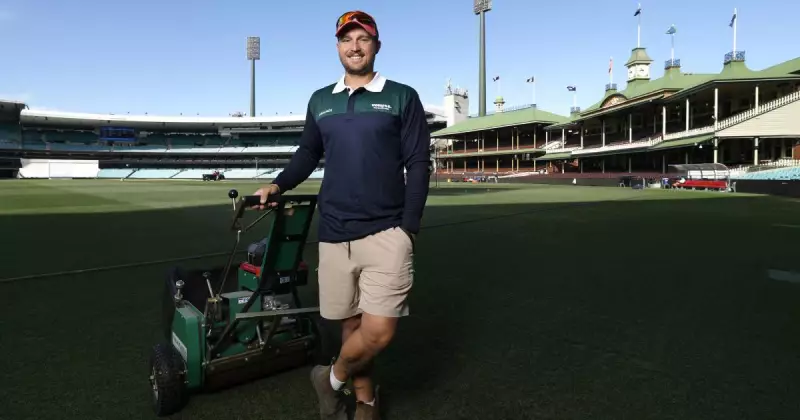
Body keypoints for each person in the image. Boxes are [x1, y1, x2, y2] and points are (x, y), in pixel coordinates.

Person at [252, 10, 431, 420]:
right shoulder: (321, 100)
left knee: (379, 331)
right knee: (350, 329)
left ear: (376, 45)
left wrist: (409, 229)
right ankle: (366, 403)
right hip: (334, 233)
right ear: (337, 46)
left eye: (362, 38)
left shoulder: (402, 95)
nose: (354, 46)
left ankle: (328, 379)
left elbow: (418, 163)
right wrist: (278, 185)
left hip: (387, 232)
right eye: (346, 39)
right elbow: (308, 153)